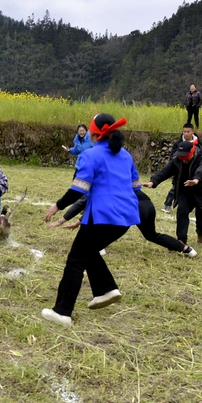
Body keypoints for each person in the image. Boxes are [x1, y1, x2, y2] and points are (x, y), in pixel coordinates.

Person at [41, 113, 140, 326]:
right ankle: (106, 289)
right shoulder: (126, 155)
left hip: (102, 217)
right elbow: (135, 186)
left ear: (93, 134)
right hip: (126, 218)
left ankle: (62, 312)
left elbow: (79, 190)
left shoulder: (90, 155)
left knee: (76, 260)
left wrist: (57, 206)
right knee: (89, 252)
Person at [48, 192, 197, 257]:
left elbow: (84, 203)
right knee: (152, 235)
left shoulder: (101, 183)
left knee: (110, 228)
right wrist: (78, 221)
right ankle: (186, 249)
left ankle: (98, 249)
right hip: (148, 206)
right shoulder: (121, 177)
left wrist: (63, 220)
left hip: (134, 209)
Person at [145, 140, 202, 246]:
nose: (183, 159)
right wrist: (153, 182)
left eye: (185, 157)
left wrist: (196, 180)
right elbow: (166, 171)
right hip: (186, 190)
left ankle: (201, 234)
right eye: (181, 157)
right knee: (182, 211)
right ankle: (181, 240)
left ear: (192, 152)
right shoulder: (177, 159)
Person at [162, 122, 200, 213]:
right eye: (184, 132)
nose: (186, 134)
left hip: (192, 170)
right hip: (180, 170)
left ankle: (190, 205)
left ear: (192, 132)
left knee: (192, 188)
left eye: (188, 132)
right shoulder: (178, 143)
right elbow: (173, 157)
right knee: (176, 188)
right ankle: (167, 204)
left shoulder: (198, 142)